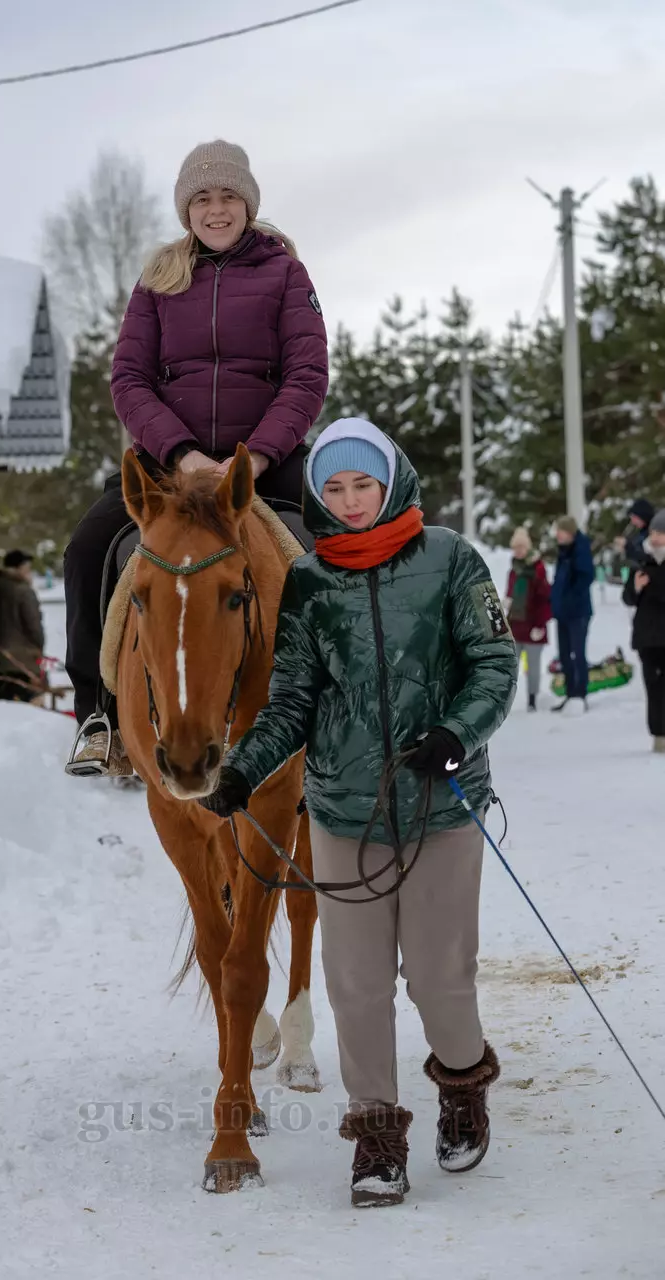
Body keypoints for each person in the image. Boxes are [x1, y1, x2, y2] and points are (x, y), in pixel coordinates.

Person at [200, 418, 517, 1208]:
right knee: (354, 985)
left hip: (441, 805)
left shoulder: (450, 558)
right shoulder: (308, 581)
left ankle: (461, 1087)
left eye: (362, 484)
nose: (349, 501)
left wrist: (456, 734)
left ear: (390, 481)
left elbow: (491, 663)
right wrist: (242, 770)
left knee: (440, 979)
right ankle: (376, 1134)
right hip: (343, 811)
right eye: (334, 488)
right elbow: (291, 699)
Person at [63, 139, 328, 776]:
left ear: (248, 204)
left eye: (228, 196)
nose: (216, 209)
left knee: (340, 543)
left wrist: (256, 457)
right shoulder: (156, 280)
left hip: (264, 463)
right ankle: (99, 716)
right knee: (87, 550)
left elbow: (307, 375)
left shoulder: (286, 274)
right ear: (186, 210)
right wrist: (180, 454)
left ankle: (355, 708)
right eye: (203, 198)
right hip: (168, 468)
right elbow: (129, 378)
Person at [622, 509, 665, 752]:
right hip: (647, 636)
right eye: (653, 532)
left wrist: (653, 584)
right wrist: (636, 588)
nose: (655, 538)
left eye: (661, 533)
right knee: (653, 686)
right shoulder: (641, 561)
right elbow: (627, 598)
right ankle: (659, 735)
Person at [0, 550, 45, 701]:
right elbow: (34, 627)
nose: (29, 572)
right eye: (27, 568)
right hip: (22, 662)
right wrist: (39, 646)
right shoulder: (24, 592)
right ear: (19, 569)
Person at [550, 515, 595, 713]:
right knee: (564, 655)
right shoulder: (563, 551)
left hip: (578, 612)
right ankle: (570, 693)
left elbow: (586, 577)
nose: (557, 535)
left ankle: (580, 694)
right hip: (562, 612)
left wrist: (570, 598)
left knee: (578, 653)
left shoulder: (580, 550)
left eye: (560, 531)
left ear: (570, 532)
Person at [505, 527, 551, 711]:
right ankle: (505, 700)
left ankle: (532, 699)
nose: (518, 551)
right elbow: (510, 592)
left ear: (528, 547)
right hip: (516, 625)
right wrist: (507, 602)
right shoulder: (513, 570)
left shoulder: (538, 569)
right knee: (509, 664)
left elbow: (544, 599)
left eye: (521, 547)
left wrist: (540, 625)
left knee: (532, 666)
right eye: (515, 548)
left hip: (533, 626)